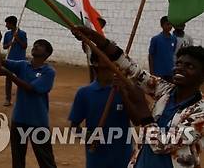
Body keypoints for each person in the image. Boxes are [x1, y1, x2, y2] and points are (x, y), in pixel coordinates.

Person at [75, 26, 204, 168]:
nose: (180, 68)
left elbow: (161, 144)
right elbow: (131, 68)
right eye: (178, 63)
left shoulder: (200, 113)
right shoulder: (165, 90)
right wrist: (96, 38)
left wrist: (142, 108)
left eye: (190, 66)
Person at [0, 28, 57, 168]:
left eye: (40, 45)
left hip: (37, 121)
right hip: (19, 119)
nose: (35, 46)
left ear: (46, 54)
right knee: (18, 160)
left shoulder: (48, 72)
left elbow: (30, 88)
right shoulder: (23, 64)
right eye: (35, 44)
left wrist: (9, 75)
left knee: (46, 160)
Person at [68, 52, 133, 168]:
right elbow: (74, 127)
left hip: (123, 158)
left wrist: (124, 92)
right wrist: (87, 137)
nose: (111, 60)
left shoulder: (125, 89)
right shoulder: (84, 93)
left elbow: (138, 118)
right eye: (106, 56)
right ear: (95, 63)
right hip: (96, 159)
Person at [2, 16, 27, 106]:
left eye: (7, 24)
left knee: (21, 81)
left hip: (20, 61)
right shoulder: (7, 34)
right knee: (8, 80)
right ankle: (7, 99)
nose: (6, 26)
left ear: (12, 24)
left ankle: (22, 100)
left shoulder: (22, 34)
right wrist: (10, 44)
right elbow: (4, 46)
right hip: (10, 60)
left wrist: (17, 39)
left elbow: (24, 46)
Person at [149, 16, 177, 81]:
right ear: (162, 25)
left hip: (170, 72)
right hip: (158, 73)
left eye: (170, 24)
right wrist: (152, 73)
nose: (170, 26)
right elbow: (151, 56)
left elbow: (172, 53)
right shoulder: (155, 39)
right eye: (167, 24)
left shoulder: (174, 39)